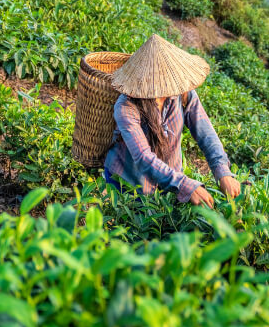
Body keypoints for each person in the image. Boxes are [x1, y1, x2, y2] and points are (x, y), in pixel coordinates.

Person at [102, 34, 240, 208]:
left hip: (169, 184)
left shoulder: (182, 93)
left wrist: (223, 172)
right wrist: (185, 185)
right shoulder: (126, 106)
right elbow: (143, 157)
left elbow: (206, 134)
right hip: (128, 184)